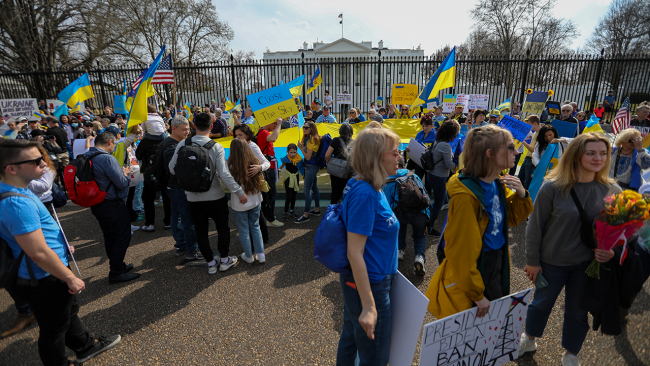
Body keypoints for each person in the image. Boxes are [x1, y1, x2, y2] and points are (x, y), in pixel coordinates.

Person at [0, 139, 123, 365]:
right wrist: (69, 277)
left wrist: (60, 245)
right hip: (43, 275)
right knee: (54, 328)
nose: (44, 164)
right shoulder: (17, 203)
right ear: (12, 169)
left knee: (67, 311)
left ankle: (86, 346)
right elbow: (38, 252)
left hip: (45, 270)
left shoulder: (14, 189)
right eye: (37, 160)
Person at [520, 133, 618, 366]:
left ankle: (571, 353)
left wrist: (611, 250)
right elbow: (534, 227)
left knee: (577, 312)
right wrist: (532, 261)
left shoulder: (612, 190)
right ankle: (530, 338)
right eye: (591, 153)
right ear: (576, 154)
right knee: (541, 303)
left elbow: (616, 231)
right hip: (551, 263)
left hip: (587, 266)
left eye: (603, 153)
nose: (598, 158)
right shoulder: (552, 187)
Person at [426, 125, 533, 319]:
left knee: (493, 325)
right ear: (490, 154)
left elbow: (513, 219)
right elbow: (460, 251)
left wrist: (522, 194)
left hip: (496, 260)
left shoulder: (496, 182)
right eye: (510, 147)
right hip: (479, 267)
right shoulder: (466, 196)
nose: (517, 152)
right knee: (476, 329)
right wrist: (477, 294)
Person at [336, 127, 401, 366]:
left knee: (351, 340)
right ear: (376, 156)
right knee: (374, 358)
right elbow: (355, 252)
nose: (400, 157)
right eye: (395, 153)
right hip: (371, 284)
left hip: (367, 281)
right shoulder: (366, 192)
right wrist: (369, 306)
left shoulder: (369, 185)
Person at [169, 112, 248, 275]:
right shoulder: (215, 146)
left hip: (192, 197)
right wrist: (239, 192)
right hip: (214, 196)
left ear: (193, 126)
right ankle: (225, 260)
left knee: (200, 229)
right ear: (211, 127)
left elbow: (172, 168)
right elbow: (224, 174)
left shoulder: (182, 144)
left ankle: (211, 262)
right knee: (222, 228)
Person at [85, 132, 141, 283]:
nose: (114, 147)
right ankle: (116, 272)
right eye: (115, 144)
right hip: (111, 203)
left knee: (110, 236)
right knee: (122, 236)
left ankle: (118, 265)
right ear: (110, 141)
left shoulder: (87, 155)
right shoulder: (106, 158)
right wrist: (124, 173)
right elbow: (122, 183)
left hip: (96, 202)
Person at [161, 116, 202, 260]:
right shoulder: (172, 147)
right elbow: (177, 169)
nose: (188, 132)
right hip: (178, 187)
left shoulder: (168, 143)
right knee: (187, 219)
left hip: (172, 187)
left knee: (176, 216)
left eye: (188, 129)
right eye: (184, 129)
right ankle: (191, 249)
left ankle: (181, 244)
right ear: (174, 128)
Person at [384, 159, 431, 276]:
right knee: (420, 235)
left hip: (400, 212)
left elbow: (386, 205)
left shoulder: (388, 180)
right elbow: (425, 196)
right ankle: (419, 257)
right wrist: (428, 220)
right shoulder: (414, 176)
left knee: (400, 228)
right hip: (419, 212)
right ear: (403, 165)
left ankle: (400, 250)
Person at [228, 138, 267, 264]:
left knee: (243, 229)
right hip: (255, 200)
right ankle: (261, 255)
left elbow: (225, 182)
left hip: (239, 203)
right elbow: (266, 163)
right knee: (255, 227)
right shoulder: (254, 162)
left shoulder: (230, 166)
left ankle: (249, 256)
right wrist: (260, 167)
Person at [426, 121, 460, 236]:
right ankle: (429, 228)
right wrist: (458, 160)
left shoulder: (437, 141)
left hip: (432, 174)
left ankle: (426, 224)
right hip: (439, 177)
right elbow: (450, 166)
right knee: (438, 204)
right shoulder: (445, 145)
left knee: (434, 203)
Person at [256, 118, 284, 227]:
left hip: (268, 166)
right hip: (269, 167)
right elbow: (274, 138)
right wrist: (280, 124)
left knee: (267, 193)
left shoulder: (261, 131)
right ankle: (270, 219)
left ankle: (267, 216)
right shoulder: (264, 132)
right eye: (274, 123)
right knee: (271, 194)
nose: (275, 125)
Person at [295, 121, 321, 223]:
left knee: (307, 190)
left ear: (312, 129)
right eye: (303, 127)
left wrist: (301, 148)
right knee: (314, 187)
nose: (304, 129)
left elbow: (308, 157)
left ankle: (306, 215)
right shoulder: (309, 138)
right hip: (312, 167)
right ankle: (317, 209)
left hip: (311, 167)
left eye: (306, 128)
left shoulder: (313, 140)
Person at [325, 123, 354, 204]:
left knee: (335, 193)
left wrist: (328, 163)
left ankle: (334, 213)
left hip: (337, 171)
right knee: (349, 193)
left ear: (340, 131)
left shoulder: (335, 140)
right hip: (350, 171)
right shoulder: (354, 142)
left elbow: (327, 155)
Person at [27, 145, 58, 217]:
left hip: (44, 201)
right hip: (31, 201)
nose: (44, 164)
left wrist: (25, 180)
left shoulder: (47, 168)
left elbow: (45, 186)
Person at [406, 115, 436, 181]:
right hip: (419, 162)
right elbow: (414, 145)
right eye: (423, 126)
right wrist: (408, 149)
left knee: (428, 184)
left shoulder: (436, 135)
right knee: (417, 181)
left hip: (430, 163)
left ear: (432, 125)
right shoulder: (419, 134)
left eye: (427, 126)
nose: (424, 128)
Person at [518, 115, 542, 190]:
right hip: (527, 159)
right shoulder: (535, 132)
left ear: (535, 123)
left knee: (527, 182)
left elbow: (534, 151)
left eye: (529, 124)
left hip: (531, 160)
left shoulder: (540, 134)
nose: (527, 126)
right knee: (520, 179)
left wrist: (523, 142)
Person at [280, 143, 303, 221]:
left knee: (294, 195)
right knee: (288, 196)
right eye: (291, 152)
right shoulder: (286, 159)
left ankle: (292, 210)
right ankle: (286, 211)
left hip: (295, 178)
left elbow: (302, 167)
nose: (293, 154)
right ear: (287, 152)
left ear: (297, 151)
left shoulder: (299, 159)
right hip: (288, 178)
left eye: (294, 152)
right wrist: (281, 166)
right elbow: (282, 164)